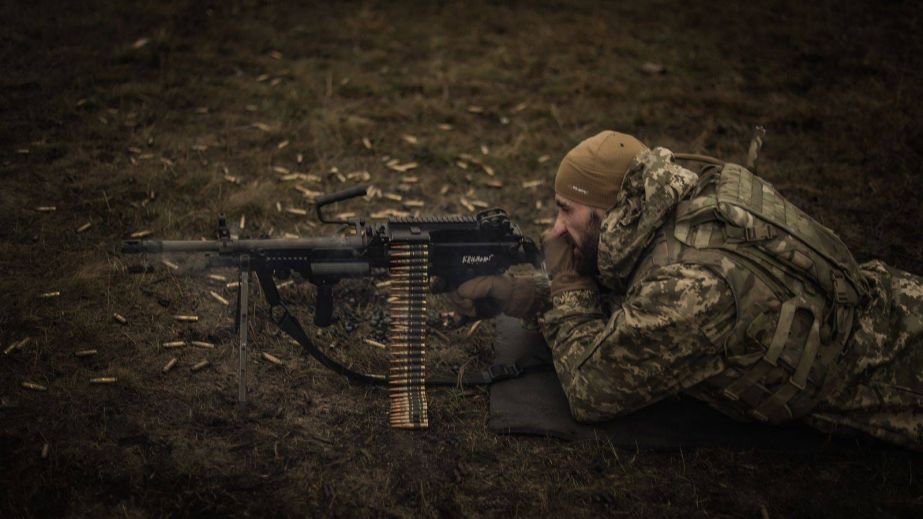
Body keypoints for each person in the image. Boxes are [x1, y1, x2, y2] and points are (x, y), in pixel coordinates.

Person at [449, 130, 923, 451]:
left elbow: (591, 389)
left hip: (898, 379)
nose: (554, 229)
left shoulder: (693, 286)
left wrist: (568, 285)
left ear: (608, 211)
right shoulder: (670, 207)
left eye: (566, 210)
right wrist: (525, 296)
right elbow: (631, 303)